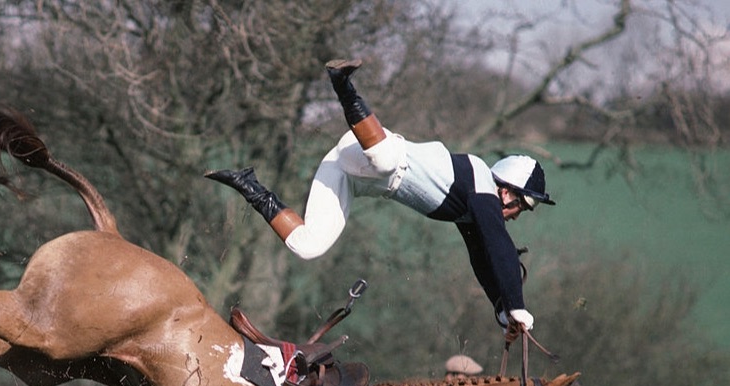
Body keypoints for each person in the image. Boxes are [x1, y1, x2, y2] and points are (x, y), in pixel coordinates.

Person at [206, 59, 555, 333]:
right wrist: (517, 305)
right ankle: (343, 83)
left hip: (349, 172)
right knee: (386, 160)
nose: (517, 214)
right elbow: (499, 245)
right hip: (370, 149)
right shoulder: (480, 180)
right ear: (506, 188)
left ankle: (248, 184)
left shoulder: (474, 209)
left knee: (307, 246)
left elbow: (482, 257)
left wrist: (503, 309)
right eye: (522, 206)